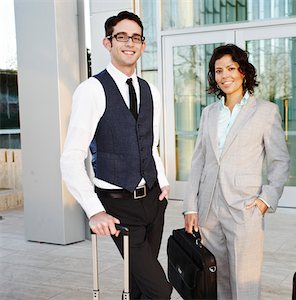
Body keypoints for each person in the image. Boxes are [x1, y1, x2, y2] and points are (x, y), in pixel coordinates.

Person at [60, 11, 172, 299]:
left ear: (143, 45)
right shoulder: (92, 90)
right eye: (121, 36)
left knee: (138, 286)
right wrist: (94, 209)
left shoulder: (151, 90)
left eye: (135, 37)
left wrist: (162, 181)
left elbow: (150, 144)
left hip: (153, 202)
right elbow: (71, 156)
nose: (129, 43)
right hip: (118, 207)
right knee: (159, 290)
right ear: (107, 42)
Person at [183, 44, 290, 299]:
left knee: (245, 282)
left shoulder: (265, 111)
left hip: (245, 208)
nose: (225, 75)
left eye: (231, 68)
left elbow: (280, 161)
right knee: (215, 279)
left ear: (243, 72)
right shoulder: (208, 113)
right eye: (218, 70)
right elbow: (198, 161)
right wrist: (190, 207)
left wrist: (266, 201)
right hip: (209, 209)